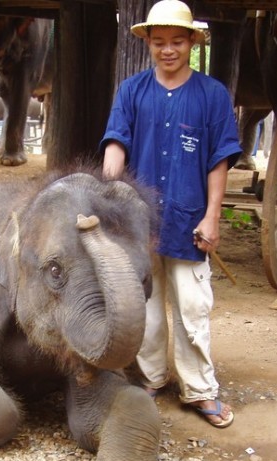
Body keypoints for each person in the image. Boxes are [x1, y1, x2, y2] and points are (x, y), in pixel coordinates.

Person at [100, 0, 242, 428]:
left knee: (193, 306)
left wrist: (212, 215)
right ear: (147, 43)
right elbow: (115, 143)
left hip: (187, 219)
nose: (168, 49)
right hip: (138, 221)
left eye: (177, 41)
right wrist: (107, 195)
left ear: (192, 42)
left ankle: (200, 390)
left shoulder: (212, 95)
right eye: (159, 42)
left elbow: (219, 159)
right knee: (144, 304)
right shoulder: (131, 91)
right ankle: (150, 377)